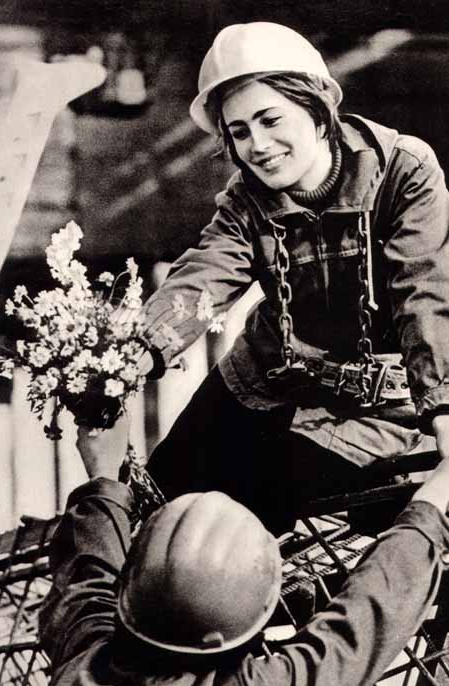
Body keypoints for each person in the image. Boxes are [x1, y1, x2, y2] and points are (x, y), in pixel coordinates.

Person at [139, 22, 449, 532]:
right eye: (239, 132)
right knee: (155, 504)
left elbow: (426, 294)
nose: (258, 145)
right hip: (259, 381)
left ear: (318, 107)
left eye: (270, 119)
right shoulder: (245, 200)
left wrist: (442, 408)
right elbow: (204, 275)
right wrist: (134, 353)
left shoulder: (404, 171)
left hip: (369, 407)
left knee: (250, 512)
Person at [39, 418, 449, 686]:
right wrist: (434, 496)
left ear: (130, 600)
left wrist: (104, 476)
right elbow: (364, 616)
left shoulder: (83, 669)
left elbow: (87, 578)